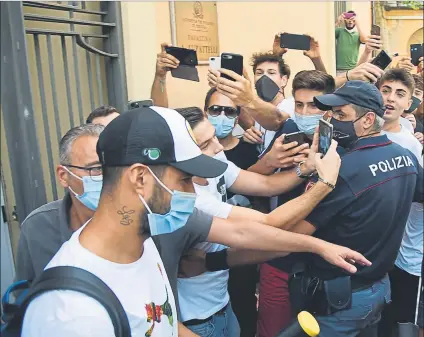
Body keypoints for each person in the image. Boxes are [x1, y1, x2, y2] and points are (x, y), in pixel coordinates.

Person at [22, 106, 371, 337]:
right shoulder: (73, 313)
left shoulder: (143, 248)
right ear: (140, 178)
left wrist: (317, 246)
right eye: (185, 180)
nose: (193, 192)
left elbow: (163, 324)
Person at [174, 106, 369, 337]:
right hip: (196, 317)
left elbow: (265, 185)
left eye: (214, 137)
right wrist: (324, 184)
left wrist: (304, 169)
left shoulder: (213, 162)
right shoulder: (190, 201)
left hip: (221, 304)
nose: (217, 147)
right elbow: (269, 224)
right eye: (205, 144)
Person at [281, 81, 423, 336]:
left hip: (341, 300)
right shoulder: (406, 155)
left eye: (340, 115)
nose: (332, 122)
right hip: (378, 288)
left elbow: (291, 232)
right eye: (332, 114)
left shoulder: (343, 170)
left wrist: (314, 177)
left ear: (368, 120)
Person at [247, 70, 336, 336]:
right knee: (275, 328)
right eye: (299, 105)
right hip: (278, 255)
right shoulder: (288, 132)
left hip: (323, 260)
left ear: (329, 108)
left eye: (314, 105)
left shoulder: (341, 142)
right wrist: (271, 162)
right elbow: (249, 179)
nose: (305, 112)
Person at [15, 124, 104, 282]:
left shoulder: (142, 224)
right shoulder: (37, 228)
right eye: (96, 169)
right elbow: (23, 295)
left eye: (112, 168)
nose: (108, 177)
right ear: (64, 176)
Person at [203, 89, 259, 336]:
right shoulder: (194, 192)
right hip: (205, 275)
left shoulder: (245, 150)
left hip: (239, 258)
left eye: (229, 111)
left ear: (238, 116)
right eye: (215, 110)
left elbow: (264, 184)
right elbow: (273, 220)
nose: (221, 116)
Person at [376, 69, 424, 335]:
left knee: (402, 317)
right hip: (374, 249)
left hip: (403, 249)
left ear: (408, 104)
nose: (390, 99)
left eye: (400, 94)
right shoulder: (361, 133)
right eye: (386, 90)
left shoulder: (409, 143)